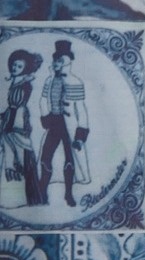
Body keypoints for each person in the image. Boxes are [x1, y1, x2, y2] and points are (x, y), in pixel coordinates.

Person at [39, 39, 89, 207]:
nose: (57, 63)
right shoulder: (49, 80)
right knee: (46, 156)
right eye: (56, 59)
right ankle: (42, 191)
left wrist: (80, 135)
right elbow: (43, 100)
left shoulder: (76, 82)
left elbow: (81, 109)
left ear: (68, 61)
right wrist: (45, 118)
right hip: (54, 122)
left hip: (69, 126)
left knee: (69, 158)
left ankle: (68, 194)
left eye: (61, 60)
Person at [0, 49, 43, 208]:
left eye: (19, 66)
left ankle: (24, 198)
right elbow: (11, 106)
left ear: (25, 69)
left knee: (20, 152)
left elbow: (17, 106)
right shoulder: (16, 82)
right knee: (10, 151)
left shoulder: (24, 85)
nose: (15, 68)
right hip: (11, 116)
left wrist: (10, 124)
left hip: (18, 119)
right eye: (14, 65)